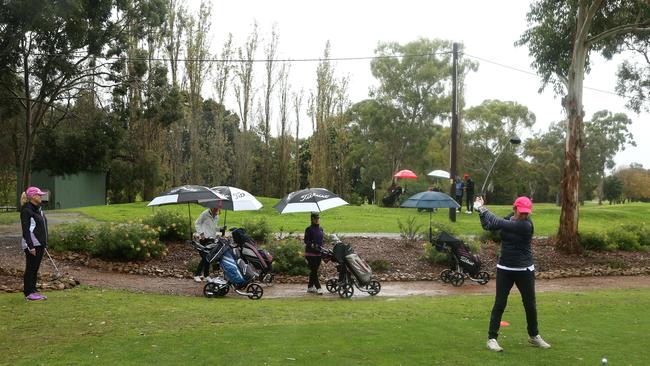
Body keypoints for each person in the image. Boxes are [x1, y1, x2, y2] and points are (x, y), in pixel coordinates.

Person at [473, 196, 551, 352]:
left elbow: (498, 223)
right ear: (514, 208)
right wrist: (480, 213)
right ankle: (492, 339)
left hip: (524, 270)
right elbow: (489, 225)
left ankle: (534, 336)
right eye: (521, 212)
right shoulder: (509, 218)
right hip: (505, 268)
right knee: (499, 304)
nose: (524, 215)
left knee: (530, 304)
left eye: (526, 213)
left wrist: (481, 208)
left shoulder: (526, 225)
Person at [20, 186, 49, 301]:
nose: (41, 196)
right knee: (31, 268)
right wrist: (31, 246)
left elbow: (42, 228)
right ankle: (28, 293)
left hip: (39, 244)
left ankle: (33, 291)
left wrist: (44, 243)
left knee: (35, 268)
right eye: (39, 195)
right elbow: (26, 230)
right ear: (32, 196)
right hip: (32, 244)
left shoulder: (37, 209)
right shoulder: (27, 210)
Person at [193, 206, 223, 282]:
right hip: (204, 239)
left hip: (211, 239)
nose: (217, 209)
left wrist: (220, 229)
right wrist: (201, 234)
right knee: (205, 258)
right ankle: (197, 275)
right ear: (212, 207)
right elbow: (197, 223)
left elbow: (213, 227)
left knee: (208, 258)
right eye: (215, 208)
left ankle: (205, 276)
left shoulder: (216, 216)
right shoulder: (205, 214)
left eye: (218, 208)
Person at [304, 212, 324, 294]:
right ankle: (318, 288)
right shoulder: (308, 229)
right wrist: (311, 244)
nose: (317, 220)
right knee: (314, 270)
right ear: (312, 219)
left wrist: (322, 245)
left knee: (314, 271)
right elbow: (306, 240)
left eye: (318, 218)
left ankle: (310, 287)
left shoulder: (321, 229)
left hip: (319, 253)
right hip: (310, 253)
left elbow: (321, 240)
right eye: (316, 218)